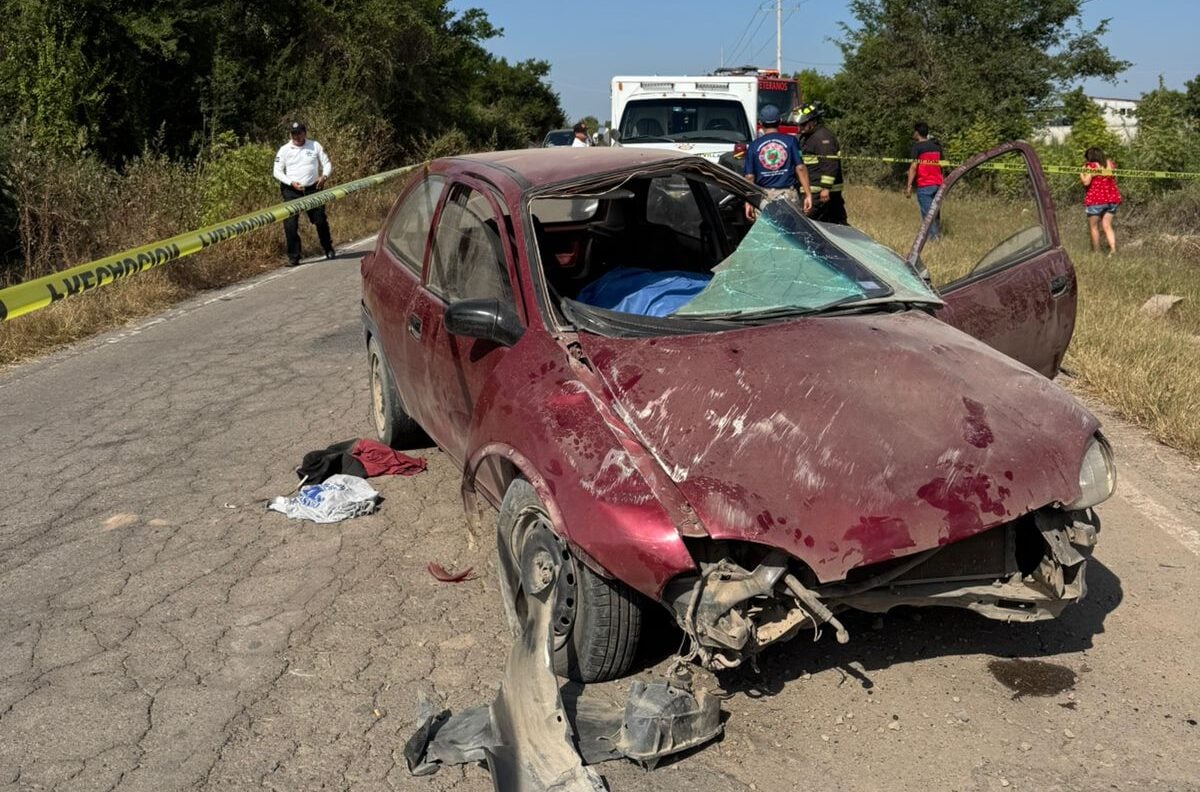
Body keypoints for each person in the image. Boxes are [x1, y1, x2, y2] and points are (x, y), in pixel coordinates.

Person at [273, 121, 335, 266]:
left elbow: (326, 163)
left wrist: (324, 176)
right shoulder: (284, 150)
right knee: (290, 224)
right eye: (293, 133)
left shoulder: (315, 145)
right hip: (291, 190)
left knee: (320, 220)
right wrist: (290, 183)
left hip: (313, 188)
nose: (296, 136)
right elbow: (277, 171)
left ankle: (328, 248)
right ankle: (294, 256)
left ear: (304, 133)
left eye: (299, 133)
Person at [743, 105, 813, 220]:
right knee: (791, 234)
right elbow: (800, 168)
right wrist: (808, 194)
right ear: (780, 121)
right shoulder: (791, 141)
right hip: (788, 195)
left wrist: (748, 202)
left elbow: (750, 176)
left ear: (760, 123)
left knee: (767, 235)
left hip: (764, 197)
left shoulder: (753, 146)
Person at [794, 103, 847, 225]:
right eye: (798, 125)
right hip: (814, 190)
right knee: (831, 224)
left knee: (808, 224)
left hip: (821, 192)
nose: (799, 128)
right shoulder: (807, 136)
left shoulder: (823, 138)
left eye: (802, 125)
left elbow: (830, 163)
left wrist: (825, 188)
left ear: (812, 122)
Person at [904, 122, 945, 239]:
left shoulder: (917, 147)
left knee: (928, 214)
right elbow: (942, 165)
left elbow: (913, 167)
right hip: (938, 184)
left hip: (925, 184)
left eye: (914, 131)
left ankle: (934, 238)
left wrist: (909, 185)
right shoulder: (937, 146)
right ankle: (937, 234)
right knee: (935, 212)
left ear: (917, 133)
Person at [1081, 146, 1121, 255]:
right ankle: (1113, 250)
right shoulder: (1110, 164)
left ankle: (1097, 252)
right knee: (1107, 225)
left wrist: (1081, 172)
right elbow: (1113, 177)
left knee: (1094, 227)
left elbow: (1086, 182)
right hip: (1112, 199)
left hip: (1096, 200)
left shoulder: (1090, 166)